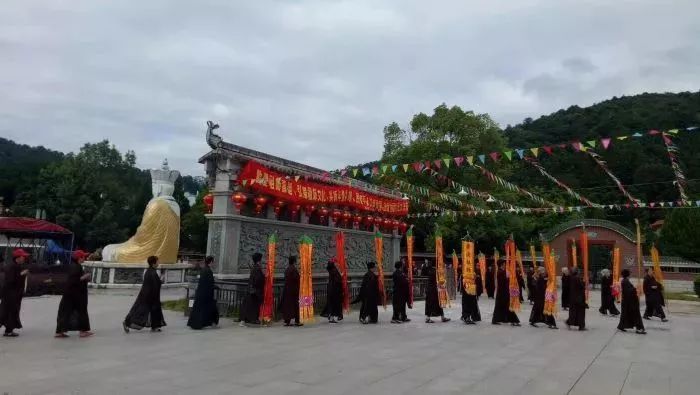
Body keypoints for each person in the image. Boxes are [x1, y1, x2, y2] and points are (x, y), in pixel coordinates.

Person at [123, 255, 166, 333]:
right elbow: (155, 285)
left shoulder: (150, 271)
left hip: (147, 295)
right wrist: (161, 279)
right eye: (157, 261)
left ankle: (155, 326)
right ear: (153, 263)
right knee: (141, 311)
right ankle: (127, 322)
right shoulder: (152, 272)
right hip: (149, 296)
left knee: (151, 311)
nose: (158, 263)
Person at [55, 250, 93, 338]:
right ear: (79, 258)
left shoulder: (74, 266)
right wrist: (85, 276)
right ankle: (82, 331)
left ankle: (60, 332)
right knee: (81, 311)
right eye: (83, 257)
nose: (85, 258)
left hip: (70, 294)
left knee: (65, 312)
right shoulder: (76, 267)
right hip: (76, 294)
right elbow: (74, 280)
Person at [0, 249, 30, 337]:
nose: (24, 258)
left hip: (15, 294)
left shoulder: (17, 266)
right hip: (10, 294)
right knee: (7, 312)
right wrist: (21, 274)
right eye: (22, 256)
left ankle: (9, 330)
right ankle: (8, 330)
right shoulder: (12, 267)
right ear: (18, 257)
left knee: (11, 313)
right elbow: (10, 280)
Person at [187, 256, 219, 330]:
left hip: (202, 293)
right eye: (213, 262)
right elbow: (209, 283)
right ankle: (209, 323)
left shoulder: (204, 270)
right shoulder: (208, 271)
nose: (214, 263)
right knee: (210, 309)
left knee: (200, 309)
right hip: (206, 294)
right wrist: (214, 286)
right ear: (210, 262)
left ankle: (197, 323)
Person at [618, 269, 646, 334]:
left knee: (625, 314)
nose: (630, 274)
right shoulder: (625, 281)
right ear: (627, 274)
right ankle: (639, 329)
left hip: (628, 301)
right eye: (629, 273)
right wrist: (635, 288)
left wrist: (634, 289)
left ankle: (621, 326)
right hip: (630, 302)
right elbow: (629, 291)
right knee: (636, 315)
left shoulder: (625, 281)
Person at [491, 261, 520, 326]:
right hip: (502, 292)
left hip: (503, 292)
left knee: (502, 306)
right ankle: (513, 320)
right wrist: (508, 277)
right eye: (504, 264)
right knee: (505, 306)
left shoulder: (502, 272)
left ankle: (497, 320)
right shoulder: (501, 272)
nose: (505, 265)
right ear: (501, 265)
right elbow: (503, 282)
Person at [240, 252, 265, 326]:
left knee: (251, 305)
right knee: (254, 306)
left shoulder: (254, 267)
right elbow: (258, 280)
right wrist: (264, 278)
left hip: (252, 290)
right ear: (258, 261)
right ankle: (252, 319)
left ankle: (252, 319)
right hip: (256, 291)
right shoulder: (257, 268)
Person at [280, 256, 301, 327]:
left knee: (288, 306)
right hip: (293, 291)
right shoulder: (294, 270)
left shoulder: (287, 269)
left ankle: (287, 321)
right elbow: (296, 280)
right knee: (295, 305)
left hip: (287, 290)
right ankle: (297, 321)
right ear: (294, 261)